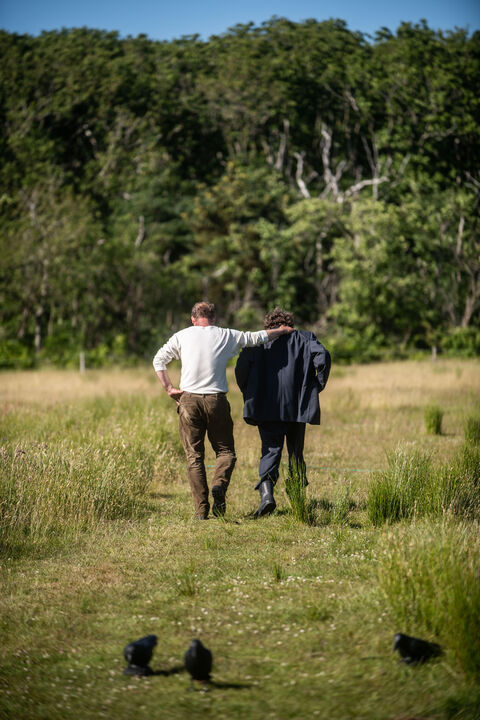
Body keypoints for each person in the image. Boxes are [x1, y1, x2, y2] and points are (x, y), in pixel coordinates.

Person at [153, 302, 293, 519]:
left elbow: (158, 360)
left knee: (194, 457)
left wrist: (170, 388)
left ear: (193, 319)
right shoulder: (226, 335)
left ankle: (201, 510)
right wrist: (282, 330)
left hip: (188, 400)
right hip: (216, 400)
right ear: (214, 318)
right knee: (226, 451)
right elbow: (256, 337)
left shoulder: (181, 336)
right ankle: (219, 485)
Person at [235, 307, 331, 517]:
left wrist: (249, 392)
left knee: (270, 450)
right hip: (297, 407)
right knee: (296, 452)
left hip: (266, 407)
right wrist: (316, 386)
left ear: (268, 326)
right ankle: (297, 500)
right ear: (289, 325)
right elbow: (322, 356)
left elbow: (241, 369)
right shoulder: (305, 338)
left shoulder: (258, 341)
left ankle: (267, 497)